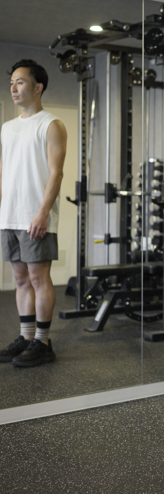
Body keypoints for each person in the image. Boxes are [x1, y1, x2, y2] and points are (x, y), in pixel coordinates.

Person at [0, 59, 67, 368]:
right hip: (10, 215)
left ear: (38, 87)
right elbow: (6, 172)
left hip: (35, 216)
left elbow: (56, 174)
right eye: (12, 83)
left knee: (39, 278)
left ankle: (42, 342)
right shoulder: (7, 128)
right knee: (20, 278)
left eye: (20, 82)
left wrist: (43, 213)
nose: (13, 88)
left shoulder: (51, 125)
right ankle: (26, 337)